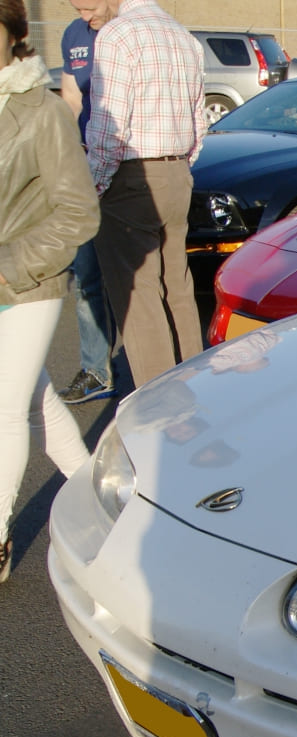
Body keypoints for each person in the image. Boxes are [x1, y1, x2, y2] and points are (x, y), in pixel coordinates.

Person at [0, 0, 98, 581]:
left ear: (16, 37)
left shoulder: (40, 113)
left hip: (26, 283)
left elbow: (77, 213)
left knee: (4, 411)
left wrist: (7, 266)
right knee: (36, 397)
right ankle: (98, 495)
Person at [87, 0, 206, 388]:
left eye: (85, 5)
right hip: (176, 172)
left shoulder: (117, 35)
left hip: (131, 175)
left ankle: (162, 410)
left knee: (140, 298)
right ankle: (197, 390)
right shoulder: (184, 37)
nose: (84, 15)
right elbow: (198, 118)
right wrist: (182, 166)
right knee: (178, 288)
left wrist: (95, 187)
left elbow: (108, 125)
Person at [57, 0, 118, 405]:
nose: (84, 15)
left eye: (90, 5)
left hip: (126, 165)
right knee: (86, 276)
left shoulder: (130, 30)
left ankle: (167, 373)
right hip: (85, 170)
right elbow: (70, 99)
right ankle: (97, 370)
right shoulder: (74, 35)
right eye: (76, 6)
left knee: (142, 280)